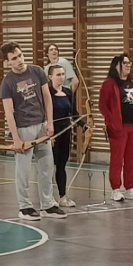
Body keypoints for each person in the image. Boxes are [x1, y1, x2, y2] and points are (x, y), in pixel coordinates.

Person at [0, 42, 64, 220]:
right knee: (23, 171)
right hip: (23, 129)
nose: (19, 60)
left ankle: (48, 205)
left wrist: (50, 123)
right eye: (14, 58)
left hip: (41, 126)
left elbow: (47, 98)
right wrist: (16, 138)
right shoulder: (7, 82)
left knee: (47, 167)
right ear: (8, 62)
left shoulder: (37, 71)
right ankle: (25, 207)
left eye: (20, 55)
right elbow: (9, 113)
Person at [97, 53, 133, 201]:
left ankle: (130, 188)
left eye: (129, 63)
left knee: (132, 159)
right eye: (124, 63)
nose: (128, 65)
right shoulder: (109, 84)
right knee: (117, 159)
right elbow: (103, 106)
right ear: (117, 66)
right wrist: (111, 122)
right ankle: (115, 189)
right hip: (119, 128)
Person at [48, 64, 87, 207]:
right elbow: (44, 114)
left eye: (63, 74)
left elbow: (74, 113)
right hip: (52, 135)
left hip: (66, 133)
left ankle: (63, 196)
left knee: (61, 165)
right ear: (50, 77)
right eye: (58, 75)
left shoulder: (68, 92)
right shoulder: (47, 92)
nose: (61, 77)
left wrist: (84, 125)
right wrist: (49, 135)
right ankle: (47, 198)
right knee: (48, 167)